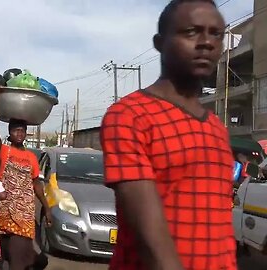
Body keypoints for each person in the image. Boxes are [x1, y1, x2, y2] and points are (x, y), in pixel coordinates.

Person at [100, 1, 236, 269]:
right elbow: (152, 244)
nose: (206, 42)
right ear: (160, 42)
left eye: (216, 34)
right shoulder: (130, 115)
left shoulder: (216, 127)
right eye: (191, 32)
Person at [0, 85, 52, 270]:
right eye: (16, 130)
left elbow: (37, 185)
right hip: (2, 212)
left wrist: (47, 208)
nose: (19, 133)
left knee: (19, 258)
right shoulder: (3, 150)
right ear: (9, 132)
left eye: (22, 131)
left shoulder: (31, 157)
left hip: (23, 216)